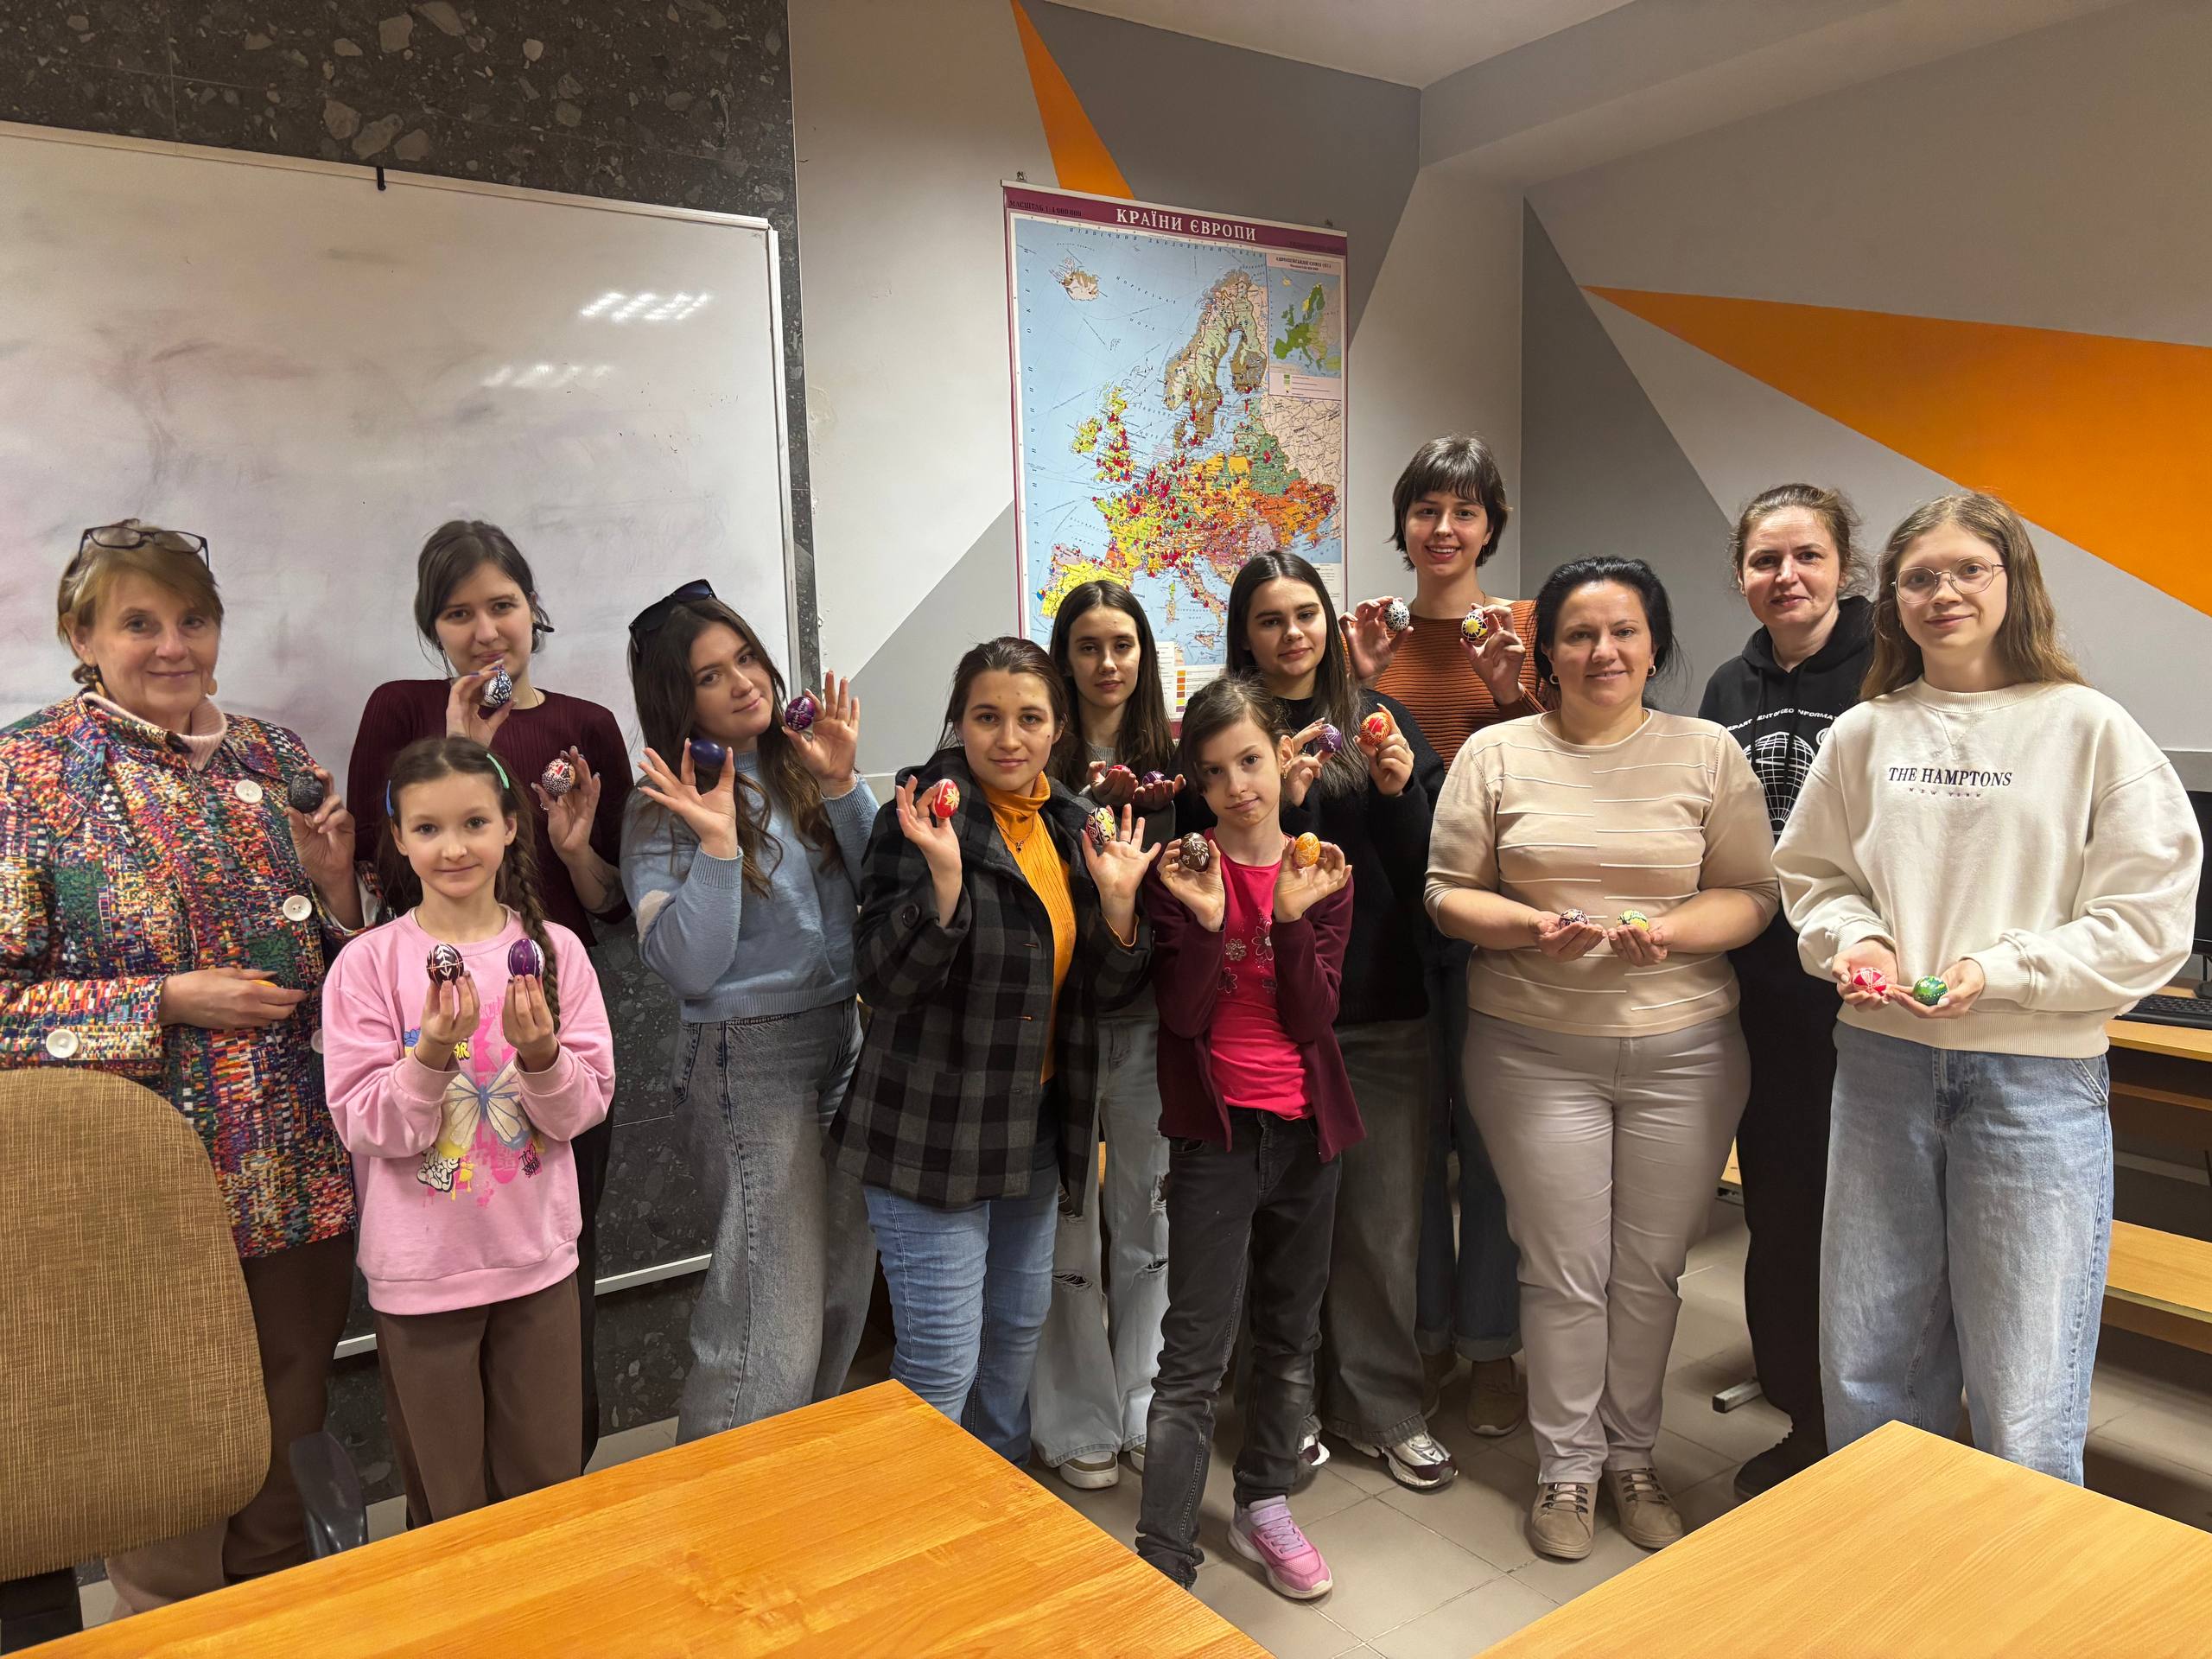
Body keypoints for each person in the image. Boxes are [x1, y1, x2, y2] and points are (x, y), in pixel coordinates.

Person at [1773, 493, 2199, 1485]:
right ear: (1891, 598)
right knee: (1870, 1368)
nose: (1943, 593)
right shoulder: (1864, 733)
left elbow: (2147, 922)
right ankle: (1891, 1560)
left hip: (2033, 1083)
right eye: (1918, 577)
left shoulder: (2088, 729)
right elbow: (1815, 879)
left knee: (2025, 1394)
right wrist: (1858, 940)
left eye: (1969, 570)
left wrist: (1996, 972)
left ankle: (2016, 1580)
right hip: (1880, 1069)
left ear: (2015, 582)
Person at [0, 523, 359, 1611]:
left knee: (290, 1438)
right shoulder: (28, 772)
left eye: (192, 620)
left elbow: (356, 967)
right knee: (163, 1462)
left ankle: (281, 1623)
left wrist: (340, 893)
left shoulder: (275, 758)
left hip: (299, 1169)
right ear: (82, 636)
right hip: (139, 1191)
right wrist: (163, 1000)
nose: (171, 646)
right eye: (138, 623)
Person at [1426, 556, 1778, 1560]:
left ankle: (1633, 1457)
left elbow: (1752, 893)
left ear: (1654, 646)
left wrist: (1667, 933)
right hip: (1533, 1052)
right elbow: (1447, 892)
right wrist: (1529, 928)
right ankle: (1568, 1467)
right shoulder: (1496, 754)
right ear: (1547, 652)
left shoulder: (1706, 752)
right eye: (1578, 634)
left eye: (1623, 631)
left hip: (1685, 1053)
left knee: (1650, 1271)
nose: (1602, 651)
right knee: (1565, 1269)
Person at [828, 637, 1154, 1461]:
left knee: (1013, 1338)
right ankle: (921, 1523)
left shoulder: (1075, 825)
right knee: (941, 1364)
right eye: (986, 717)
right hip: (929, 1136)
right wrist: (943, 888)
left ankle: (998, 1503)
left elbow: (1101, 995)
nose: (1009, 739)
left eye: (1029, 719)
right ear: (959, 723)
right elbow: (883, 981)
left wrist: (1119, 910)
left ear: (1057, 729)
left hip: (1032, 1133)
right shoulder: (921, 815)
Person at [346, 519, 631, 1463]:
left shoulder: (586, 724)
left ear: (532, 610)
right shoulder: (401, 710)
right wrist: (463, 746)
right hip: (430, 1018)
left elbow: (610, 901)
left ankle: (560, 1467)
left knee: (556, 1278)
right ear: (432, 626)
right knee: (445, 1399)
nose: (484, 631)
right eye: (457, 613)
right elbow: (384, 880)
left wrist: (574, 851)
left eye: (502, 605)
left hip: (545, 1013)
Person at [322, 736, 614, 1523]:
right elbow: (364, 1122)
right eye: (428, 829)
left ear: (511, 827)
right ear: (398, 837)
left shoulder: (557, 952)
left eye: (474, 823)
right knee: (448, 1504)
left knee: (546, 1489)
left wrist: (542, 1056)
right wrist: (428, 1056)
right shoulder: (368, 965)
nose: (453, 848)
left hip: (536, 1264)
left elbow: (583, 1109)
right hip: (423, 1279)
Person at [619, 582, 878, 1440]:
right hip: (747, 1058)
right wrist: (719, 846)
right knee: (767, 1326)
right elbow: (687, 967)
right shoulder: (664, 801)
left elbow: (886, 890)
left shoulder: (801, 762)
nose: (742, 683)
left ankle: (794, 1486)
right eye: (709, 676)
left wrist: (842, 784)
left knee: (840, 1292)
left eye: (746, 658)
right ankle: (725, 1506)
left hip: (841, 1035)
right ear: (677, 700)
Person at [1224, 551, 1452, 1491]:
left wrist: (1398, 793)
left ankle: (1384, 1406)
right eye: (1270, 619)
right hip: (1266, 1023)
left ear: (1329, 622)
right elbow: (1211, 871)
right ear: (1245, 635)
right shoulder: (1230, 733)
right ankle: (1284, 1407)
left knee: (1383, 1227)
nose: (1292, 634)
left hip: (1381, 1013)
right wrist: (1274, 803)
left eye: (1306, 614)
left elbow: (1431, 873)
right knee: (1271, 1228)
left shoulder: (1378, 718)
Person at [1134, 677, 1355, 1599]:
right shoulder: (1180, 875)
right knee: (1192, 1356)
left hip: (1305, 1137)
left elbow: (1312, 1017)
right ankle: (1163, 1552)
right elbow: (1182, 1018)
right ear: (1197, 781)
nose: (1237, 787)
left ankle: (1265, 1503)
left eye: (1252, 761)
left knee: (1290, 1337)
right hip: (1216, 1144)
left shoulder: (1325, 871)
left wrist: (1287, 920)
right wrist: (1210, 923)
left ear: (1284, 757)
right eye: (1215, 772)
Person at [1342, 433, 1537, 1440]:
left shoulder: (1527, 631)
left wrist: (1510, 692)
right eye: (1426, 510)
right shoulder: (1364, 639)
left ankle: (1491, 1347)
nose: (1444, 529)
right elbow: (1335, 778)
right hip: (1394, 925)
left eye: (1465, 511)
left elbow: (1566, 760)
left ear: (1490, 526)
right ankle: (1418, 1336)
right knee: (1409, 1148)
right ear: (1403, 524)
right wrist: (1357, 688)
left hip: (1498, 923)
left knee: (1494, 1145)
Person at [1697, 483, 1874, 1497]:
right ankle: (1803, 1411)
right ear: (1741, 576)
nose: (1787, 576)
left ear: (1844, 566)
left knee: (1875, 1220)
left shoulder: (1895, 669)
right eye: (1765, 560)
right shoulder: (1729, 685)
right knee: (1783, 1207)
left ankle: (1876, 1421)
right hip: (1763, 996)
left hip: (1869, 993)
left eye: (1807, 556)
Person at [1032, 581, 1184, 1489]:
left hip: (1148, 1023)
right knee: (1066, 1229)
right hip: (1058, 1029)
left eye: (1122, 644)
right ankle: (1074, 1415)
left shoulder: (1172, 767)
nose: (1106, 663)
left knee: (1148, 1219)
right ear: (1064, 658)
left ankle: (1145, 1402)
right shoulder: (1030, 760)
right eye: (1087, 646)